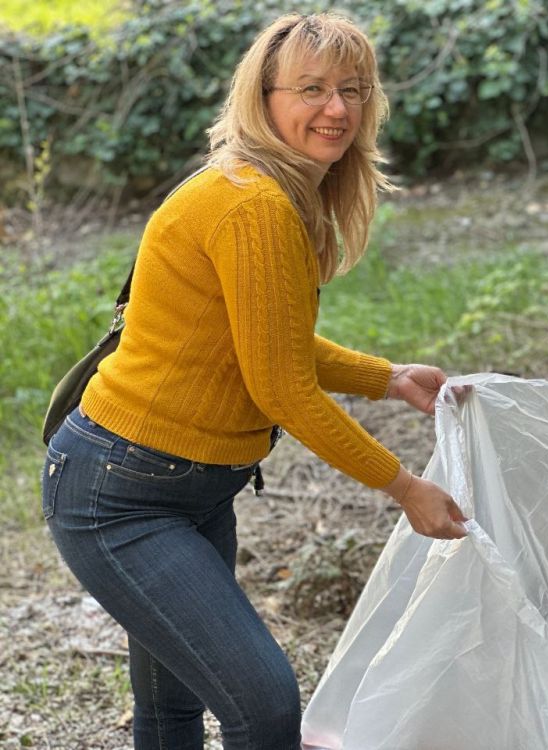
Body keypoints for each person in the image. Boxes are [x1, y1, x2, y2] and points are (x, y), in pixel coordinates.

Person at [40, 13, 467, 749]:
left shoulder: (271, 190)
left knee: (175, 709)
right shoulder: (254, 204)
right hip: (120, 493)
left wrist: (389, 378)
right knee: (264, 707)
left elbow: (265, 342)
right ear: (263, 97)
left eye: (352, 90)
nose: (336, 109)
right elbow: (283, 390)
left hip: (191, 486)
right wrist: (405, 486)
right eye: (311, 89)